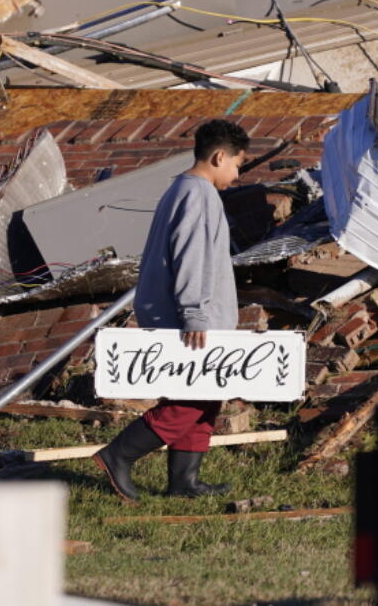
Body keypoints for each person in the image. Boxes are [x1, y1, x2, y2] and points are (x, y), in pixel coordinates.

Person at [93, 119, 250, 502]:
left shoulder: (182, 189)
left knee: (206, 396)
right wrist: (195, 314)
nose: (238, 175)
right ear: (218, 157)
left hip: (188, 314)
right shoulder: (200, 195)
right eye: (237, 165)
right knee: (190, 401)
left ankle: (185, 481)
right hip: (189, 318)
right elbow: (192, 257)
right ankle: (118, 454)